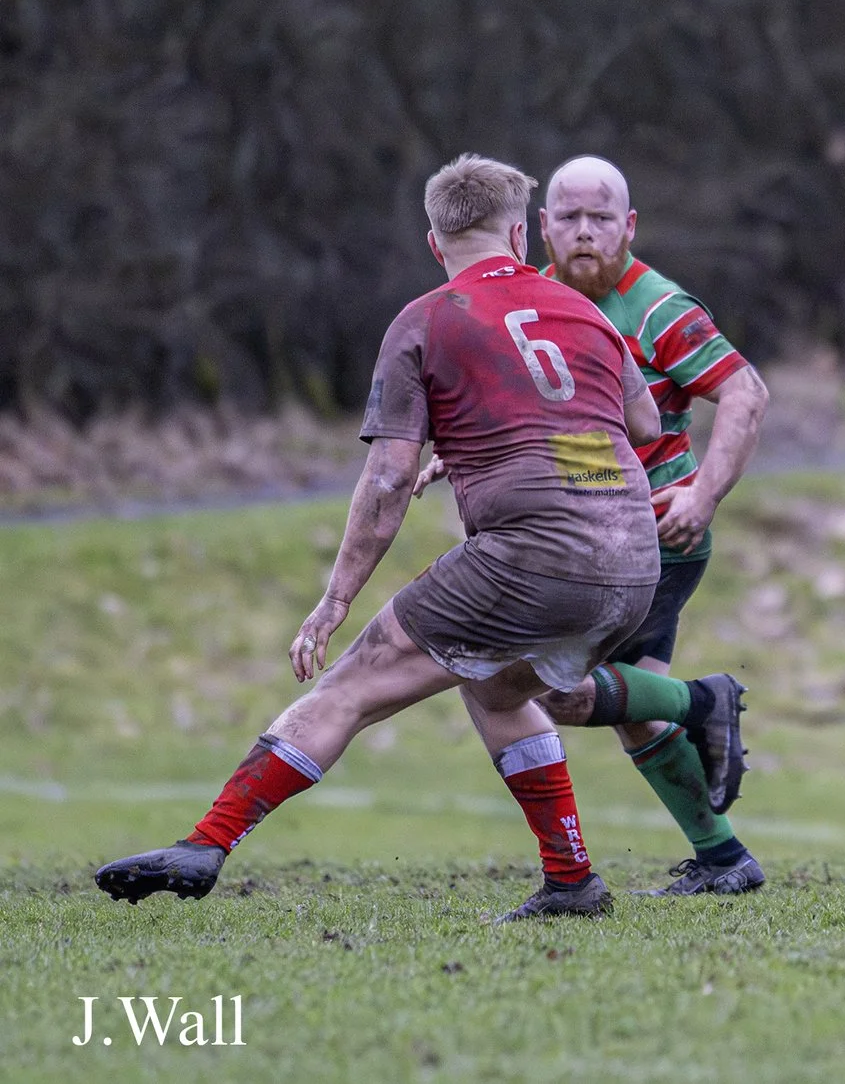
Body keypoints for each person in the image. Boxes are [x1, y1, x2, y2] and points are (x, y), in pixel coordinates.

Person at [93, 154, 721, 921]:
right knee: (495, 685)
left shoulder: (425, 320)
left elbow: (388, 481)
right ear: (520, 235)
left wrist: (334, 600)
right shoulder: (585, 309)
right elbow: (645, 423)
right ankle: (573, 882)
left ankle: (205, 842)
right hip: (630, 561)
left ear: (435, 241)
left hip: (533, 555)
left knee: (352, 685)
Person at [417, 156, 769, 896]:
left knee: (537, 689)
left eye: (600, 218)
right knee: (614, 705)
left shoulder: (660, 307)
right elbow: (537, 412)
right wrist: (460, 458)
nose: (584, 233)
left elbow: (745, 393)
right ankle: (724, 857)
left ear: (629, 226)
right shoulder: (530, 299)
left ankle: (707, 706)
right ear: (539, 228)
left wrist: (702, 495)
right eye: (569, 218)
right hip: (578, 534)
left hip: (652, 532)